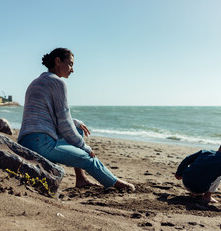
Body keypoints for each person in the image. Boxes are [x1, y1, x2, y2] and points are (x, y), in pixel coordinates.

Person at [18, 48, 135, 191]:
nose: (72, 69)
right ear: (57, 61)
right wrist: (85, 148)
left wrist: (76, 123)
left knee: (78, 129)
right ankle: (115, 183)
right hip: (42, 144)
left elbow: (52, 118)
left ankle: (81, 179)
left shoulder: (36, 82)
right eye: (70, 64)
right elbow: (64, 124)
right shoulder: (58, 83)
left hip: (25, 141)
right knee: (89, 159)